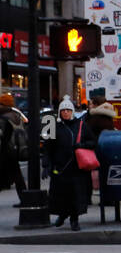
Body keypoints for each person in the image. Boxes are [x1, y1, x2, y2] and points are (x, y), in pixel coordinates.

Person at [45, 97, 95, 231]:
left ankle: (74, 220)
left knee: (75, 195)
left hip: (76, 167)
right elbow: (47, 147)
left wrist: (81, 145)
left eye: (68, 110)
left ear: (72, 111)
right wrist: (46, 165)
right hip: (60, 167)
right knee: (61, 195)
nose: (66, 112)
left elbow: (92, 142)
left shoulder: (81, 125)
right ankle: (62, 215)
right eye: (63, 110)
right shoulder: (53, 125)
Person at [0, 93, 29, 203]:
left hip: (6, 151)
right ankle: (25, 199)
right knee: (17, 176)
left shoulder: (3, 117)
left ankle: (25, 199)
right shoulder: (16, 115)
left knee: (15, 176)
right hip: (16, 149)